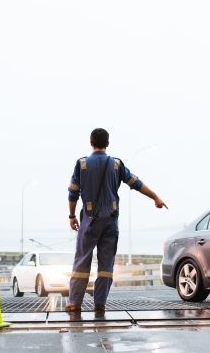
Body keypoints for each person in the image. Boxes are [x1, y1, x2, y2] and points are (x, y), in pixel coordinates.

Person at [66, 128, 168, 311]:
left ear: (91, 143)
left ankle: (74, 303)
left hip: (89, 221)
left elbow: (73, 193)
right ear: (108, 143)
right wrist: (155, 197)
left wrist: (72, 216)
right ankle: (100, 303)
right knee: (106, 264)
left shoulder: (81, 165)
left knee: (82, 262)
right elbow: (136, 183)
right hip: (111, 222)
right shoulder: (116, 165)